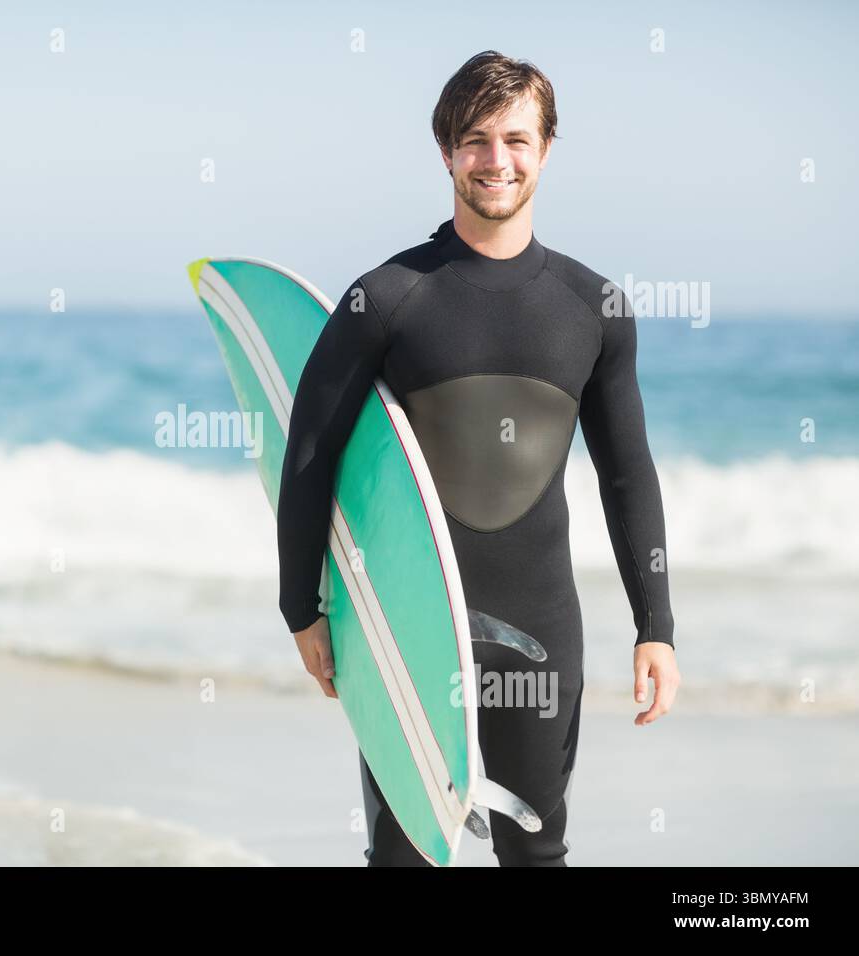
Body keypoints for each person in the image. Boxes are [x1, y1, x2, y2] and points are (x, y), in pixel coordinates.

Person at [275, 50, 682, 866]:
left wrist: (656, 625)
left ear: (547, 148)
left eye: (517, 139)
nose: (497, 160)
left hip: (539, 631)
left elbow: (626, 472)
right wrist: (302, 607)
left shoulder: (592, 307)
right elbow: (310, 453)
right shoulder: (386, 298)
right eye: (476, 140)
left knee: (536, 855)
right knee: (405, 858)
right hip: (411, 623)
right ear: (447, 151)